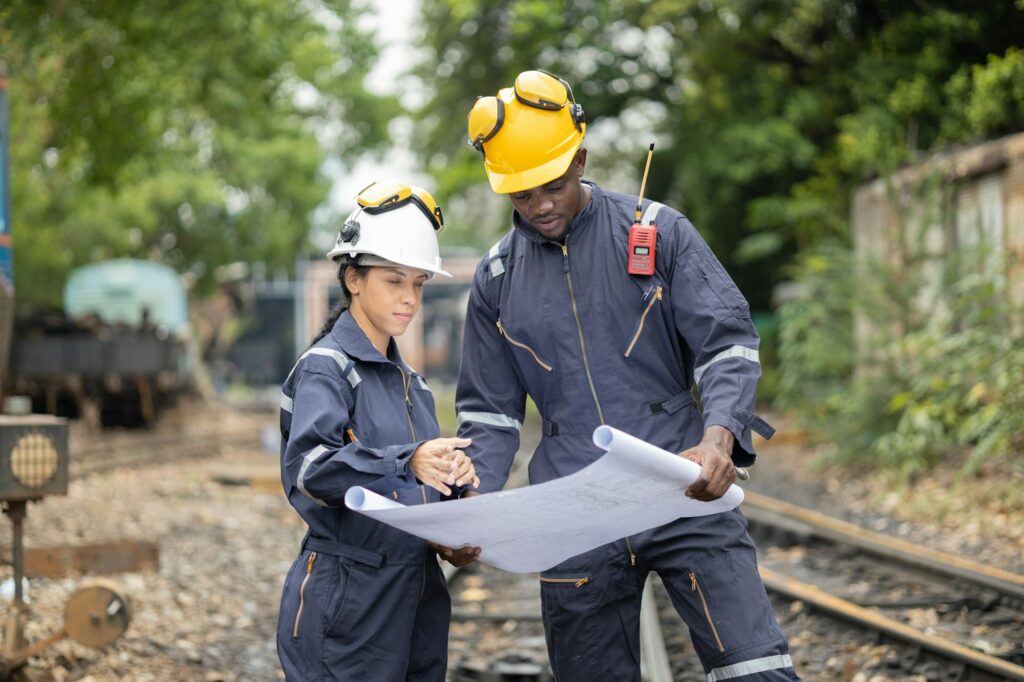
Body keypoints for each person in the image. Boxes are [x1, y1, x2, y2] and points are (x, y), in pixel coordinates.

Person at [456, 70, 800, 681]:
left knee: (757, 670)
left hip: (682, 485)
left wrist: (719, 437)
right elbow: (488, 412)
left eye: (552, 187)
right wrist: (470, 504)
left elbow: (727, 344)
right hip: (575, 510)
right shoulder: (496, 279)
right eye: (520, 195)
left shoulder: (660, 232)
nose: (538, 206)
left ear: (580, 158)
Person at [277, 180, 481, 681]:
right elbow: (308, 471)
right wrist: (405, 460)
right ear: (352, 278)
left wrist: (453, 515)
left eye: (418, 284)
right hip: (350, 601)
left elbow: (418, 496)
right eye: (394, 281)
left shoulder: (413, 384)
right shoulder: (327, 368)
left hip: (415, 599)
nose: (410, 298)